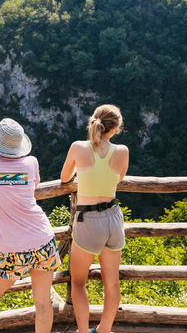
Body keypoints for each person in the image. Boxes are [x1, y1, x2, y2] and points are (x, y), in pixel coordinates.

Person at [0, 118, 60, 333]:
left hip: (13, 249)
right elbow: (32, 188)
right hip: (44, 239)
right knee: (43, 302)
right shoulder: (31, 162)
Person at [60, 104, 129, 333]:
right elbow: (118, 180)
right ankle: (104, 330)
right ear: (116, 128)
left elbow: (64, 177)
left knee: (78, 282)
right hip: (113, 217)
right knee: (112, 283)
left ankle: (82, 331)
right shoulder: (122, 151)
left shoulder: (78, 147)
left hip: (88, 219)